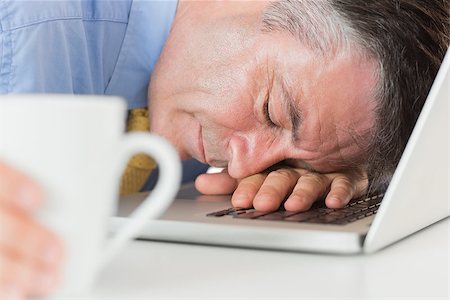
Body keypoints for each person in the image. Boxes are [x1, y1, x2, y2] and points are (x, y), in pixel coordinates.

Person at [0, 0, 448, 298]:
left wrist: (320, 168)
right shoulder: (30, 37)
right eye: (272, 111)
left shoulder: (177, 74)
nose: (241, 163)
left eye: (287, 157)